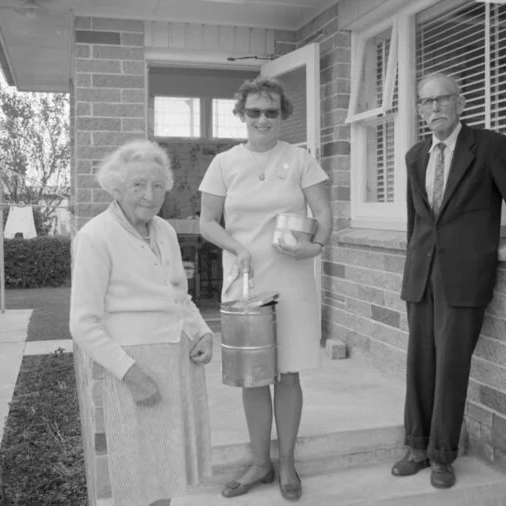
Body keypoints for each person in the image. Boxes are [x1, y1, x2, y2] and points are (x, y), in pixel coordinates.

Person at [393, 73, 506, 489]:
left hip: (464, 276)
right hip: (421, 275)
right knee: (419, 364)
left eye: (442, 99)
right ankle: (416, 447)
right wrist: (411, 266)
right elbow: (417, 223)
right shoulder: (414, 155)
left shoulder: (490, 147)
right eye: (426, 103)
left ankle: (443, 455)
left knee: (451, 366)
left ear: (460, 103)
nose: (434, 109)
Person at [199, 76, 332, 501]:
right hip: (245, 279)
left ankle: (288, 462)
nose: (262, 119)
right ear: (241, 114)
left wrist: (315, 247)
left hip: (291, 278)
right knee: (253, 377)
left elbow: (325, 211)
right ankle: (260, 463)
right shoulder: (223, 163)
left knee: (288, 372)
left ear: (282, 116)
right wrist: (236, 246)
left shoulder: (300, 159)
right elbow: (207, 222)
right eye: (253, 111)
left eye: (271, 112)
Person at [70, 140, 214, 505]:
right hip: (135, 368)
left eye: (157, 186)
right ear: (116, 187)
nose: (149, 196)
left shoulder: (164, 230)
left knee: (166, 475)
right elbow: (83, 324)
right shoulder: (95, 237)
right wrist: (132, 375)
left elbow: (179, 294)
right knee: (138, 478)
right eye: (138, 185)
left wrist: (203, 332)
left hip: (177, 361)